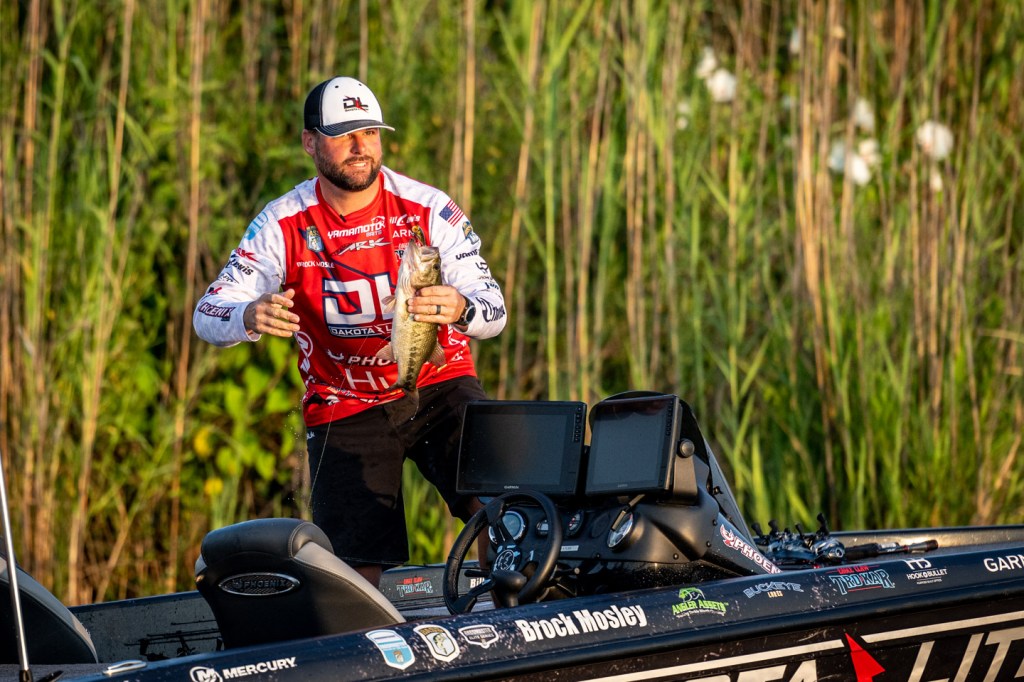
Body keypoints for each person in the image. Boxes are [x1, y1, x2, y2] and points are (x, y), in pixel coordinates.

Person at [193, 76, 506, 588]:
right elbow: (207, 312)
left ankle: (511, 610)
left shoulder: (429, 207)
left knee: (503, 509)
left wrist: (462, 306)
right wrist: (248, 315)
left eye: (371, 132)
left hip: (438, 378)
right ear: (309, 142)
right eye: (344, 135)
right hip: (343, 399)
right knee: (356, 565)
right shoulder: (281, 223)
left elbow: (495, 311)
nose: (361, 147)